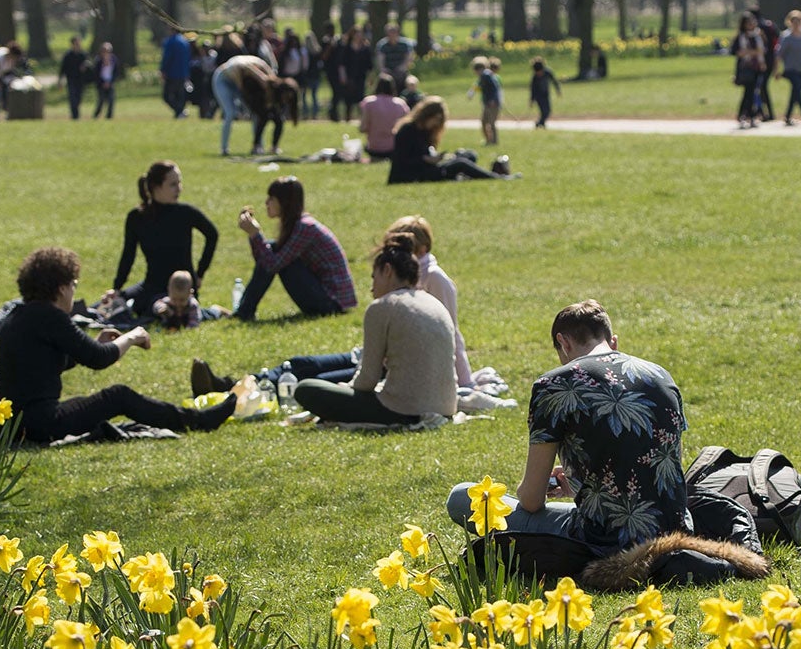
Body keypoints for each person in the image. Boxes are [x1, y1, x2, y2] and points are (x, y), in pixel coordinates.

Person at [444, 299, 690, 554]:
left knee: (461, 497)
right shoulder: (660, 375)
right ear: (612, 342)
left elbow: (531, 500)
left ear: (563, 342)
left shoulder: (555, 384)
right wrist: (579, 481)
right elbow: (664, 471)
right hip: (674, 533)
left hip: (606, 541)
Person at [0, 246, 234, 443]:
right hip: (40, 425)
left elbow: (43, 365)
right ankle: (197, 421)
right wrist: (131, 337)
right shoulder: (51, 316)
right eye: (74, 285)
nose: (74, 291)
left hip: (16, 425)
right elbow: (99, 359)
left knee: (100, 403)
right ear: (61, 289)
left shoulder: (19, 316)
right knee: (117, 396)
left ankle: (192, 418)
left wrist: (90, 345)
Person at [291, 234, 459, 426]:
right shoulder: (434, 303)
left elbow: (367, 380)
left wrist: (346, 389)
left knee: (306, 388)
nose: (372, 288)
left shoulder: (382, 306)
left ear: (387, 270)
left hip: (403, 411)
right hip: (446, 407)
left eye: (374, 277)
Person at [233, 176, 356, 320]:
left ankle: (244, 311)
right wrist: (254, 236)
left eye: (271, 198)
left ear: (284, 202)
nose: (266, 203)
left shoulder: (305, 227)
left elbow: (272, 265)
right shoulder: (298, 225)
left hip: (332, 303)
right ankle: (244, 311)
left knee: (276, 252)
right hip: (328, 298)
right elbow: (265, 262)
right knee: (273, 247)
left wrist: (255, 234)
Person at [113, 160, 219, 314]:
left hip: (179, 291)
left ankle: (213, 312)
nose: (179, 189)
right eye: (173, 184)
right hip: (151, 285)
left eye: (179, 183)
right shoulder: (137, 217)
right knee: (111, 305)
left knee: (161, 310)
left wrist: (199, 274)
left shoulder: (185, 213)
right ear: (156, 187)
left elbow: (212, 235)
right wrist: (117, 288)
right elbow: (128, 254)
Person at [390, 215, 475, 387]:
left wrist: (464, 380)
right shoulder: (395, 275)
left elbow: (450, 330)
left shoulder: (434, 278)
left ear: (422, 249)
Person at [388, 98, 508, 184]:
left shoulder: (425, 131)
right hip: (410, 175)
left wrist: (436, 157)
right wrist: (425, 160)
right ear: (427, 115)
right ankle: (497, 177)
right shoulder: (407, 130)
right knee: (460, 163)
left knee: (468, 155)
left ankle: (469, 175)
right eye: (436, 119)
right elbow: (401, 161)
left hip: (426, 167)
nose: (437, 124)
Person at [212, 54, 275, 156]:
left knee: (255, 113)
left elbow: (270, 80)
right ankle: (224, 148)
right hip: (223, 80)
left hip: (240, 82)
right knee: (230, 113)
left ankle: (258, 146)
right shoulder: (238, 67)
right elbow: (241, 89)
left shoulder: (262, 66)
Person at [239, 66, 299, 155]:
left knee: (279, 122)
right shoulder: (272, 86)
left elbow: (288, 108)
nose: (287, 98)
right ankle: (256, 146)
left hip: (268, 104)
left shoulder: (291, 93)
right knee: (263, 119)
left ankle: (274, 147)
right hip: (257, 99)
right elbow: (265, 101)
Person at [729, 15, 768, 129]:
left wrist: (751, 53)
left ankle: (746, 115)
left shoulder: (759, 35)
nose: (751, 24)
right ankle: (748, 115)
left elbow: (763, 50)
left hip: (757, 68)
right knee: (749, 92)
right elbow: (736, 52)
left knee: (752, 92)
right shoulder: (741, 37)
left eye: (753, 22)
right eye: (749, 23)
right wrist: (752, 52)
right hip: (746, 68)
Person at [358, 75, 411, 160]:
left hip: (374, 148)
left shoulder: (369, 103)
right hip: (395, 148)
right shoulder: (401, 104)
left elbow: (362, 128)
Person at [327, 27, 372, 123]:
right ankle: (348, 117)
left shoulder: (365, 48)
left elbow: (369, 64)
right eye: (356, 34)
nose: (358, 36)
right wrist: (343, 76)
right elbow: (341, 63)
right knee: (348, 98)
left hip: (361, 76)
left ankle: (362, 118)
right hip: (349, 76)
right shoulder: (346, 47)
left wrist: (370, 77)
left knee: (361, 97)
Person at [465, 56, 504, 145]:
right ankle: (488, 140)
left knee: (491, 123)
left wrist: (493, 100)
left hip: (492, 104)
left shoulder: (486, 75)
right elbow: (477, 86)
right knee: (484, 122)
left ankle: (493, 141)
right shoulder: (484, 76)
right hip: (487, 103)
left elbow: (495, 88)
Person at [160, 28, 193, 118]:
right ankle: (180, 112)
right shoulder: (185, 42)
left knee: (167, 96)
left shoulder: (170, 42)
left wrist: (163, 70)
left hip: (172, 72)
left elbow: (167, 57)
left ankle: (180, 111)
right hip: (183, 73)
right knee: (180, 95)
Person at [56, 37, 90, 121]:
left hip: (81, 80)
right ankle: (75, 116)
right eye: (76, 43)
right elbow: (62, 69)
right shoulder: (68, 56)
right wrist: (60, 80)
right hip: (71, 80)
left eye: (79, 43)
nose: (78, 45)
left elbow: (89, 65)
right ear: (72, 44)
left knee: (78, 98)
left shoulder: (83, 55)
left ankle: (75, 114)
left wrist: (85, 66)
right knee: (72, 98)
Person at [528, 57, 562, 129]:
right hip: (538, 96)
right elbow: (532, 89)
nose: (539, 74)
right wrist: (532, 100)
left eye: (540, 72)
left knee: (548, 110)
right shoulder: (535, 77)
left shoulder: (548, 72)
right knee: (543, 110)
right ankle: (541, 123)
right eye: (537, 73)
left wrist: (558, 90)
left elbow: (555, 81)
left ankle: (540, 123)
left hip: (546, 94)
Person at [93, 42, 124, 119]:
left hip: (110, 82)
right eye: (104, 51)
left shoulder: (114, 60)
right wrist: (103, 82)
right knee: (101, 100)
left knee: (111, 100)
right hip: (101, 83)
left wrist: (110, 82)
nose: (106, 53)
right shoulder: (98, 61)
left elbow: (116, 72)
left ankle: (109, 116)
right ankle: (96, 114)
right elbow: (96, 74)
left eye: (108, 51)